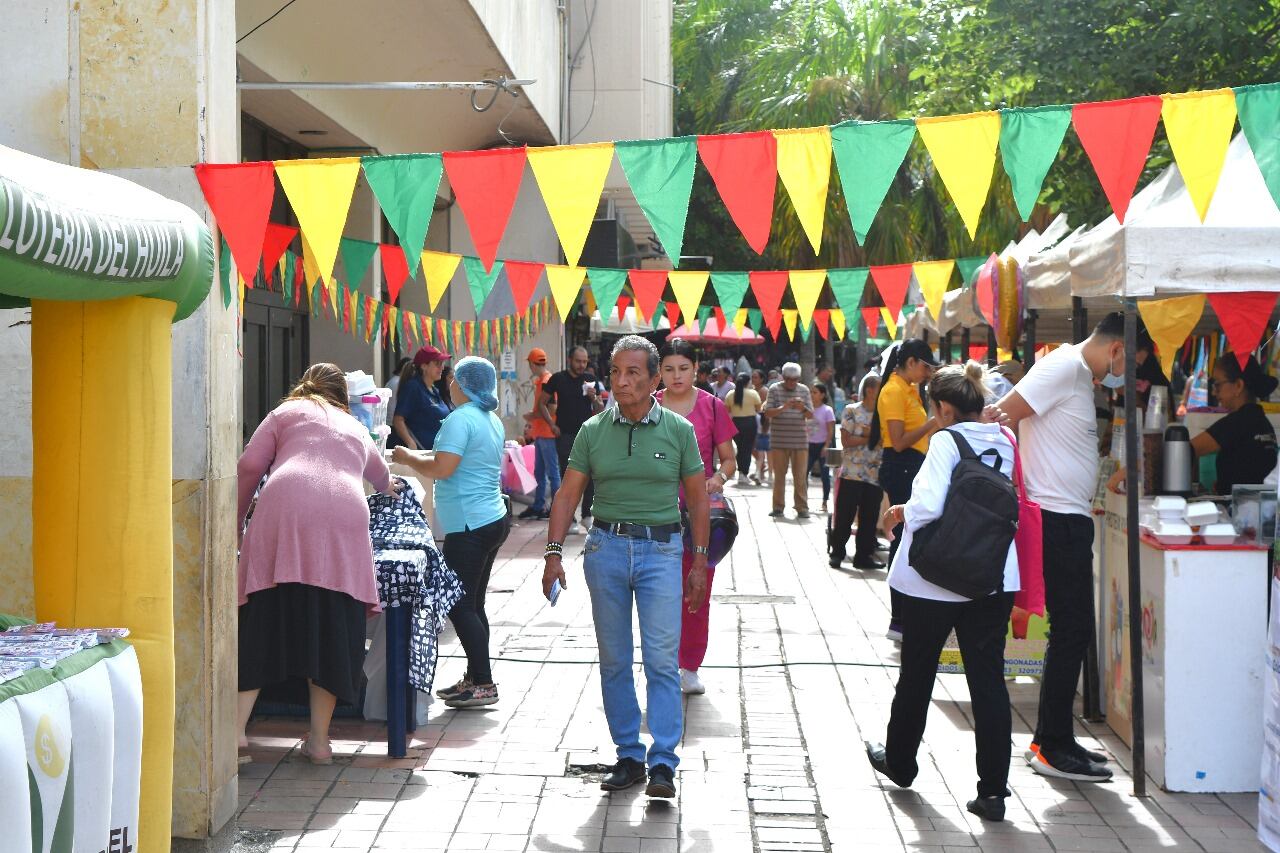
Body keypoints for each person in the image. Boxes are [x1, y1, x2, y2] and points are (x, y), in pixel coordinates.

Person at [541, 335, 710, 799]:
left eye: (633, 372)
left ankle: (663, 763)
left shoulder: (678, 429)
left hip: (662, 552)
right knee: (614, 659)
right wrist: (553, 553)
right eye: (615, 372)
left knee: (660, 660)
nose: (622, 381)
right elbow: (568, 494)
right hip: (606, 551)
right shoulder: (593, 430)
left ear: (655, 380)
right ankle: (629, 755)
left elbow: (697, 499)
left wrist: (699, 563)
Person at [865, 361, 1020, 824]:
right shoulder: (1006, 439)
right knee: (988, 681)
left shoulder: (946, 440)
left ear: (943, 408)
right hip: (993, 576)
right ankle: (992, 790)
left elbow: (928, 505)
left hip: (936, 576)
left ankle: (901, 760)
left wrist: (897, 514)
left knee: (918, 672)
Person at [991, 312, 1142, 782]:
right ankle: (1053, 744)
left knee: (1073, 630)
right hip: (1054, 520)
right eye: (1130, 364)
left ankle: (1051, 737)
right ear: (1117, 349)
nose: (1125, 376)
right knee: (1073, 629)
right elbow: (1001, 415)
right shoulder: (1064, 367)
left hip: (1067, 519)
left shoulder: (1078, 375)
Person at [236, 363, 399, 764]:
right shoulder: (354, 425)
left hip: (284, 508)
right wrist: (392, 488)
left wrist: (235, 523)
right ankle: (321, 743)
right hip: (345, 516)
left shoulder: (285, 413)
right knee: (330, 625)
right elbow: (383, 478)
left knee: (263, 618)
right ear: (343, 397)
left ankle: (236, 733)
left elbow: (248, 467)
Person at [393, 357, 511, 708]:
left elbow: (442, 467)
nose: (449, 383)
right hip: (490, 518)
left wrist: (408, 457)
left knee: (459, 603)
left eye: (453, 378)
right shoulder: (489, 419)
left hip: (470, 524)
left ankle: (483, 682)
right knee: (473, 603)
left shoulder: (459, 419)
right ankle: (477, 676)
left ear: (462, 384)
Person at [656, 339, 737, 695]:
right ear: (659, 371)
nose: (676, 376)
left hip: (698, 515)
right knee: (656, 592)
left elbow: (729, 459)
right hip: (652, 511)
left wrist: (717, 478)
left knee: (695, 589)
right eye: (669, 369)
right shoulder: (647, 404)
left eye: (684, 369)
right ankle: (660, 663)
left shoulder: (712, 406)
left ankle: (689, 665)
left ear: (696, 370)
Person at [876, 339, 941, 642]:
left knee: (909, 537)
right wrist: (932, 424)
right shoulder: (892, 391)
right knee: (902, 539)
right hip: (901, 465)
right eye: (926, 366)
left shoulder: (910, 389)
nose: (928, 372)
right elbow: (899, 441)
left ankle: (905, 615)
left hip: (912, 465)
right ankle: (898, 617)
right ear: (912, 362)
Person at [1191, 353, 1278, 494]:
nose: (1214, 392)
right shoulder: (1263, 422)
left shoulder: (1238, 423)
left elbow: (1186, 449)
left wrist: (1192, 487)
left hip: (1237, 511)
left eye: (1218, 385)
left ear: (1238, 385)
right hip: (1261, 510)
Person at [540, 346, 605, 532]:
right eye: (578, 361)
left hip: (588, 435)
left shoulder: (591, 380)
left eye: (585, 362)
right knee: (567, 478)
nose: (581, 365)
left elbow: (600, 409)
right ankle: (570, 520)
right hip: (565, 435)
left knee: (591, 476)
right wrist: (552, 425)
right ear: (570, 359)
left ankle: (586, 515)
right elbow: (542, 403)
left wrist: (594, 399)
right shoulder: (558, 379)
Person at [829, 372, 884, 570]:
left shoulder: (884, 414)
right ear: (870, 390)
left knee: (869, 519)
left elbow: (886, 440)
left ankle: (863, 555)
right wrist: (871, 438)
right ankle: (837, 553)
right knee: (844, 515)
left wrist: (868, 437)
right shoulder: (851, 411)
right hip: (851, 472)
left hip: (875, 474)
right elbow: (846, 441)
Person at [764, 362, 814, 518]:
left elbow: (810, 414)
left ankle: (802, 507)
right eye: (789, 379)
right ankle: (778, 506)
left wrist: (802, 409)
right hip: (779, 441)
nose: (792, 382)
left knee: (800, 476)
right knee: (779, 476)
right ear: (783, 377)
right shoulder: (774, 389)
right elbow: (768, 413)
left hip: (800, 441)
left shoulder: (804, 390)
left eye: (795, 379)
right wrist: (784, 407)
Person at [519, 347, 560, 520]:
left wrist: (532, 415)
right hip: (542, 433)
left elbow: (551, 409)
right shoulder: (544, 380)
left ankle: (556, 508)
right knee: (540, 473)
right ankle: (538, 506)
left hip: (547, 433)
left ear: (532, 364)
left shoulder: (546, 381)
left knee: (552, 473)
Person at [392, 345, 452, 450]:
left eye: (442, 363)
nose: (442, 367)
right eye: (437, 363)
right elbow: (398, 419)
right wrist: (411, 443)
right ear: (424, 366)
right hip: (420, 455)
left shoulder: (434, 390)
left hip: (436, 453)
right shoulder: (413, 387)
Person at [727, 372, 762, 486]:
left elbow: (726, 409)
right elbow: (758, 408)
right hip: (750, 423)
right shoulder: (753, 393)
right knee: (747, 449)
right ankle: (743, 473)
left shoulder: (731, 394)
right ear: (748, 382)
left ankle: (741, 473)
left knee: (740, 448)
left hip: (736, 423)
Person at [807, 383, 837, 514]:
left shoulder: (827, 410)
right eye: (811, 392)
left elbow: (831, 430)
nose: (812, 395)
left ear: (822, 395)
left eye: (815, 392)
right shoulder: (807, 409)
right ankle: (803, 501)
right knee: (803, 473)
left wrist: (826, 445)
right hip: (808, 445)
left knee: (825, 476)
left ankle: (825, 501)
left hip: (822, 445)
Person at [751, 370, 771, 485]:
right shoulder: (753, 391)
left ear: (762, 379)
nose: (754, 379)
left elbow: (765, 410)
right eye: (752, 377)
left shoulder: (764, 391)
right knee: (755, 448)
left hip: (762, 423)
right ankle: (761, 467)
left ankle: (763, 471)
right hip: (755, 422)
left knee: (763, 449)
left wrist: (765, 425)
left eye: (756, 377)